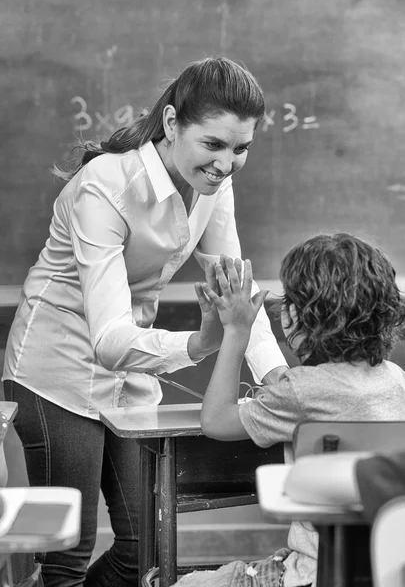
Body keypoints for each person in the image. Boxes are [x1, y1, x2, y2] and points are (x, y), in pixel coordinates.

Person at [1, 56, 287, 587]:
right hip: (55, 372)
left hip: (132, 372)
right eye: (214, 144)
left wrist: (276, 378)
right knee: (65, 554)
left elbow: (238, 291)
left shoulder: (213, 185)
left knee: (143, 553)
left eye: (241, 148)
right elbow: (108, 341)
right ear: (174, 123)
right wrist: (199, 344)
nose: (226, 163)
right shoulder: (105, 186)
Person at [172, 233, 405, 587]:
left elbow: (215, 420)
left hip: (311, 573)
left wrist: (236, 330)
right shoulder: (398, 380)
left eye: (290, 299)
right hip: (385, 566)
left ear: (305, 317)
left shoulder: (298, 392)